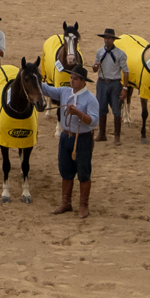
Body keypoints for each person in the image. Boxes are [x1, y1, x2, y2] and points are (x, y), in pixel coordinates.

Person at [43, 66, 99, 218]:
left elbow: (93, 121)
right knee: (65, 170)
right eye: (71, 78)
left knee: (84, 172)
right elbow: (47, 90)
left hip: (83, 138)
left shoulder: (90, 99)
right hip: (66, 136)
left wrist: (78, 113)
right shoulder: (64, 92)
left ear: (83, 81)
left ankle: (83, 205)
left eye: (75, 78)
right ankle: (66, 202)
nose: (72, 81)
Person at [92, 27, 128, 144]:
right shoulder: (99, 52)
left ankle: (117, 135)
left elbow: (125, 71)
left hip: (115, 83)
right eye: (105, 38)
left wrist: (125, 88)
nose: (106, 40)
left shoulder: (120, 54)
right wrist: (96, 66)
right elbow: (94, 69)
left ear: (113, 40)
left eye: (109, 38)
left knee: (116, 109)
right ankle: (102, 133)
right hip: (102, 82)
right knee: (101, 108)